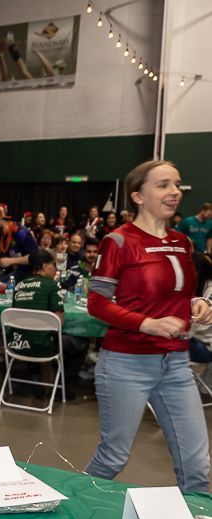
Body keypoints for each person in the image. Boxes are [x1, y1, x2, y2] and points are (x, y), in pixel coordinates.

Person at [86, 160, 212, 493]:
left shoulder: (182, 243)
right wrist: (147, 324)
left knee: (197, 467)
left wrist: (197, 303)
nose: (174, 193)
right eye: (163, 185)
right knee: (112, 458)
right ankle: (68, 518)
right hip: (126, 364)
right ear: (138, 196)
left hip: (176, 365)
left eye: (177, 185)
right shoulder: (118, 241)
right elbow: (97, 303)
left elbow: (177, 295)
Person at [9, 250, 87, 383]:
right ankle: (64, 384)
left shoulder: (19, 285)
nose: (55, 269)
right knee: (81, 342)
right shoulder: (52, 285)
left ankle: (35, 370)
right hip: (42, 347)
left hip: (16, 344)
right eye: (53, 265)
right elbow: (58, 323)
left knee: (32, 332)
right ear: (44, 266)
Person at [0, 205, 38, 279]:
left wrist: (11, 261)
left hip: (28, 275)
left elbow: (36, 256)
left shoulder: (21, 233)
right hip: (12, 273)